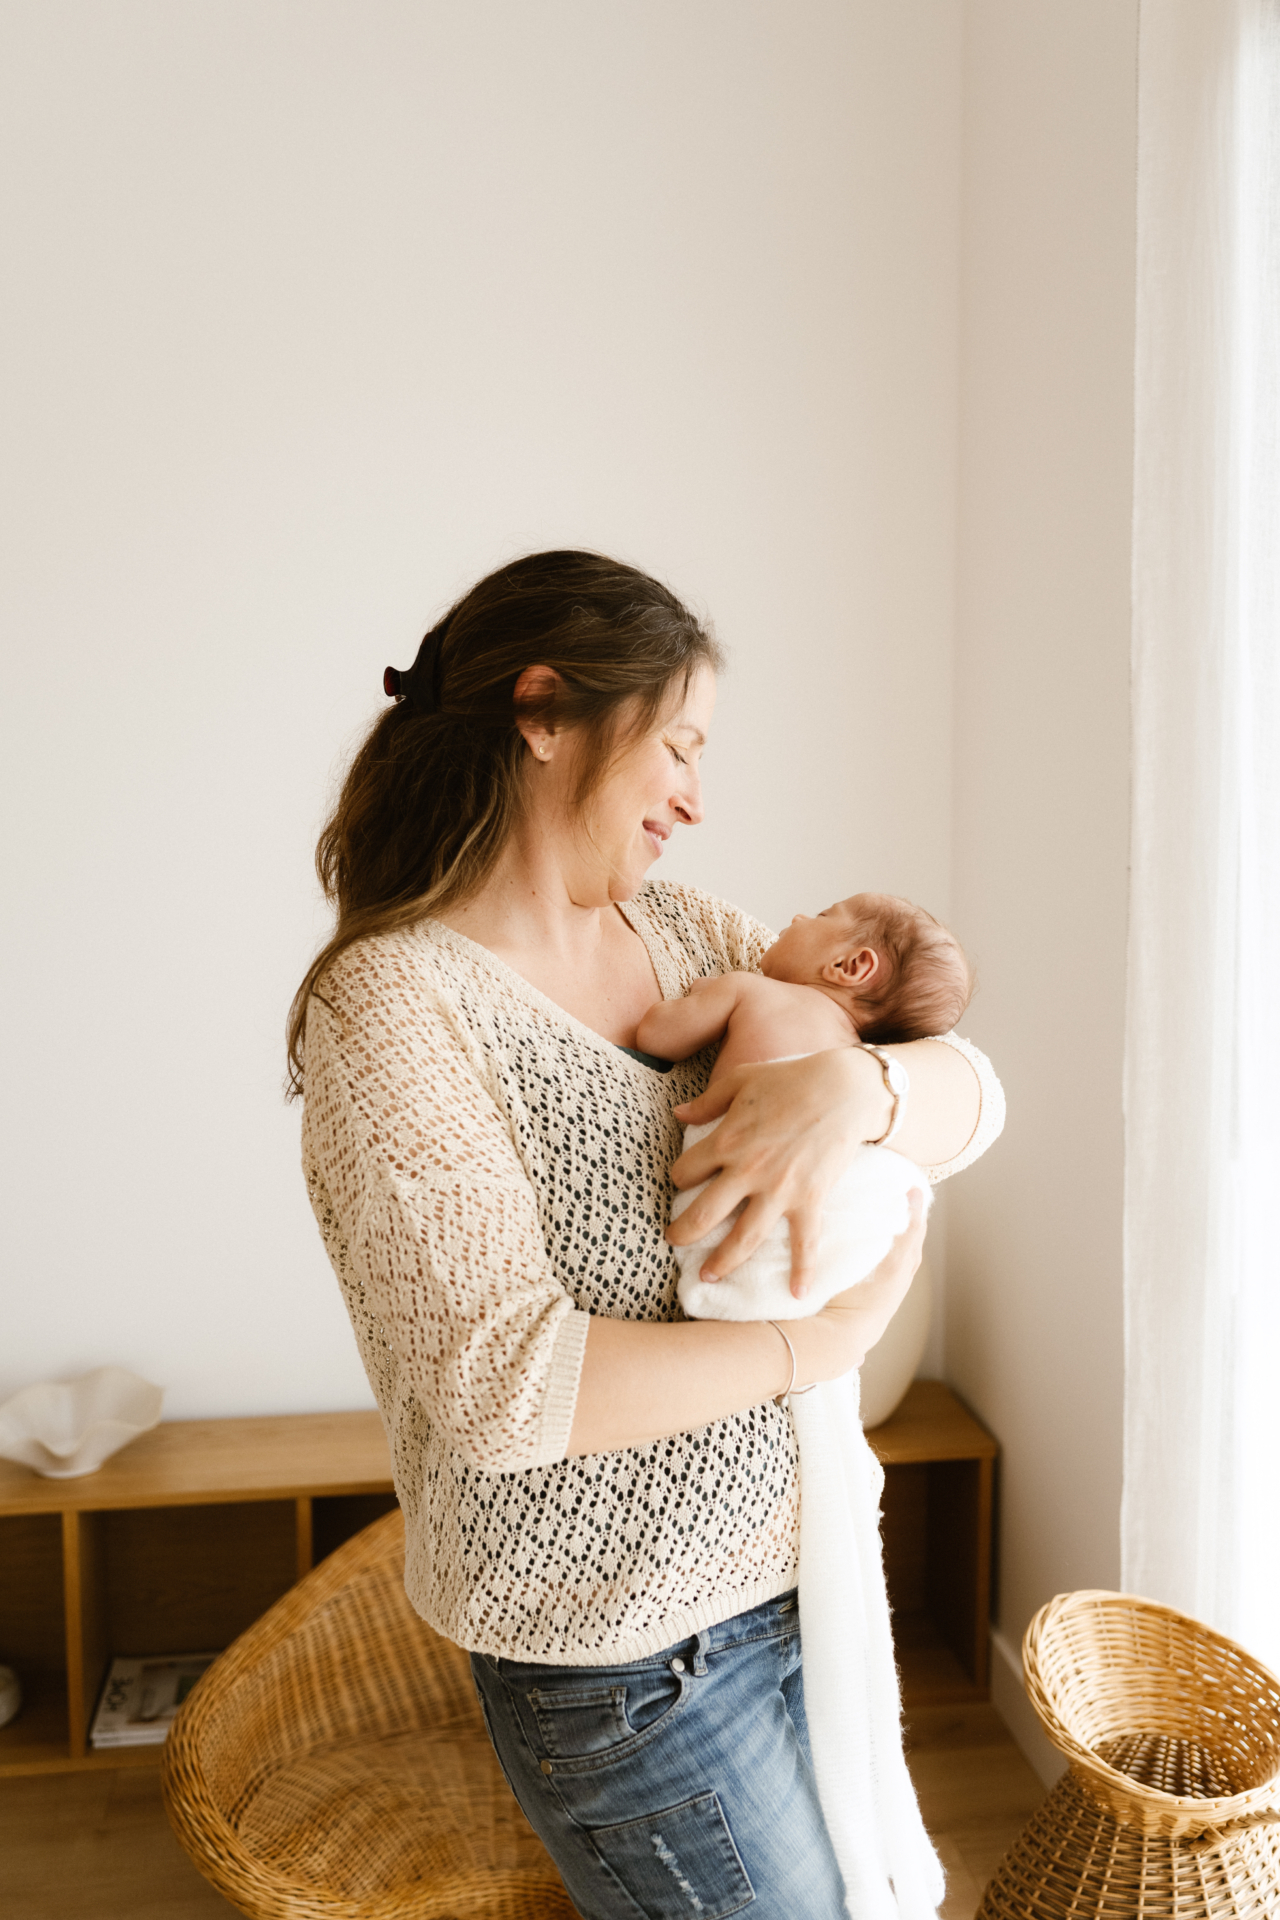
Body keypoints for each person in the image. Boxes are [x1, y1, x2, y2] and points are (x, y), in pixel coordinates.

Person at [288, 550, 1004, 1920]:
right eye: (677, 745)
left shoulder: (682, 932)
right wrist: (818, 1342)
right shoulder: (395, 1007)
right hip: (632, 1666)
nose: (694, 795)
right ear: (544, 708)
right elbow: (502, 1391)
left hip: (805, 1580)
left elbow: (973, 1088)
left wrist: (857, 1085)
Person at [637, 894, 988, 1917]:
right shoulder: (850, 1047)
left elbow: (657, 1034)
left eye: (823, 915)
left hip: (734, 1267)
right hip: (817, 1275)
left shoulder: (750, 991)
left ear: (852, 967)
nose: (788, 916)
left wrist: (669, 1024)